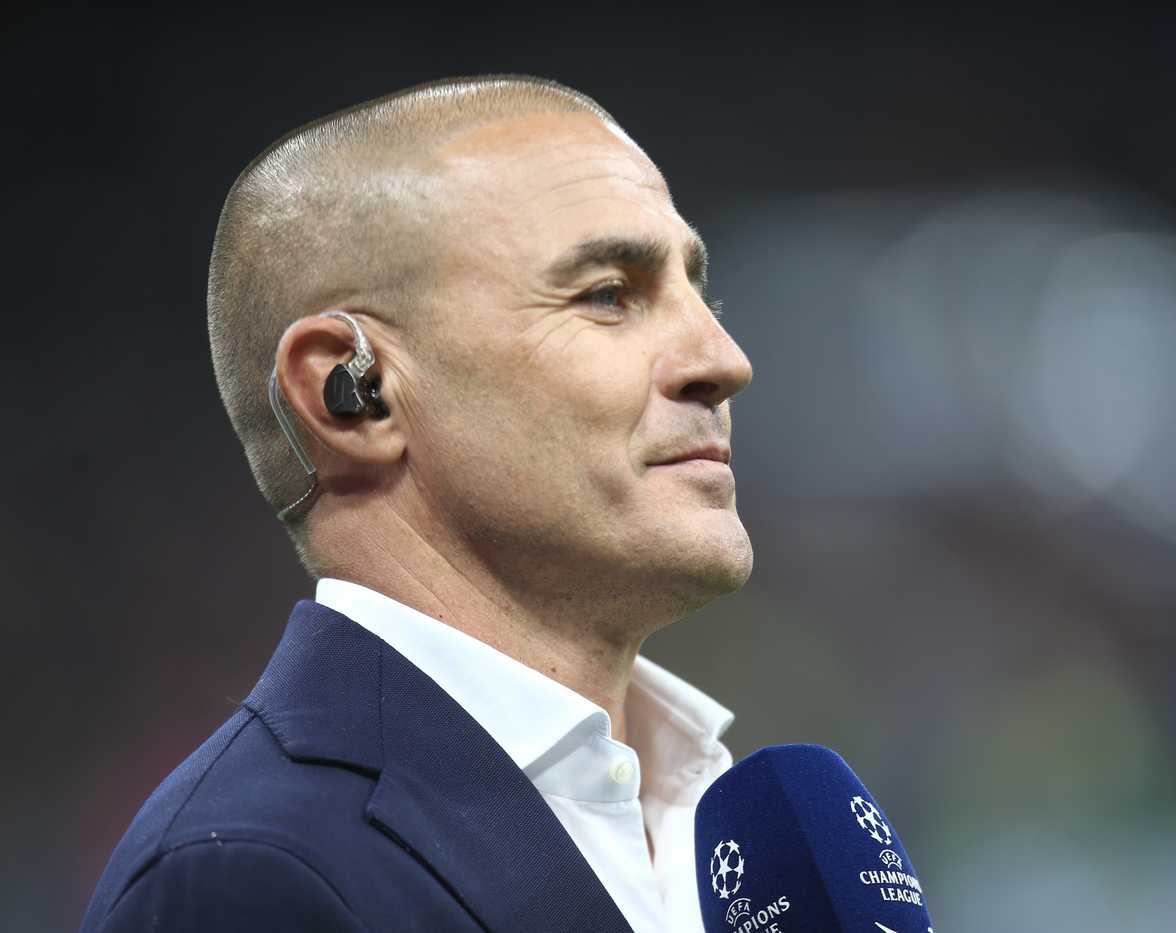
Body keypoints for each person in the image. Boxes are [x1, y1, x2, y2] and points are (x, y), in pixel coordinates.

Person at [80, 74, 755, 932]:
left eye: (701, 294)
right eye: (608, 294)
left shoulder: (742, 833)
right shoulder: (249, 877)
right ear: (353, 399)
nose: (724, 359)